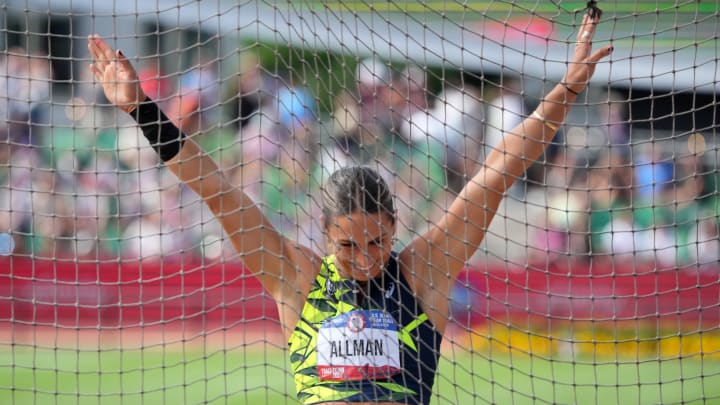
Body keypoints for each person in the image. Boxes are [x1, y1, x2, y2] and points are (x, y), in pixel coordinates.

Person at [87, 9, 612, 405]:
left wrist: (565, 90)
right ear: (323, 232)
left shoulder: (422, 271)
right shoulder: (294, 275)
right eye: (347, 244)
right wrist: (141, 109)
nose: (364, 256)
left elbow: (496, 175)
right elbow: (216, 192)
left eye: (376, 242)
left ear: (395, 229)